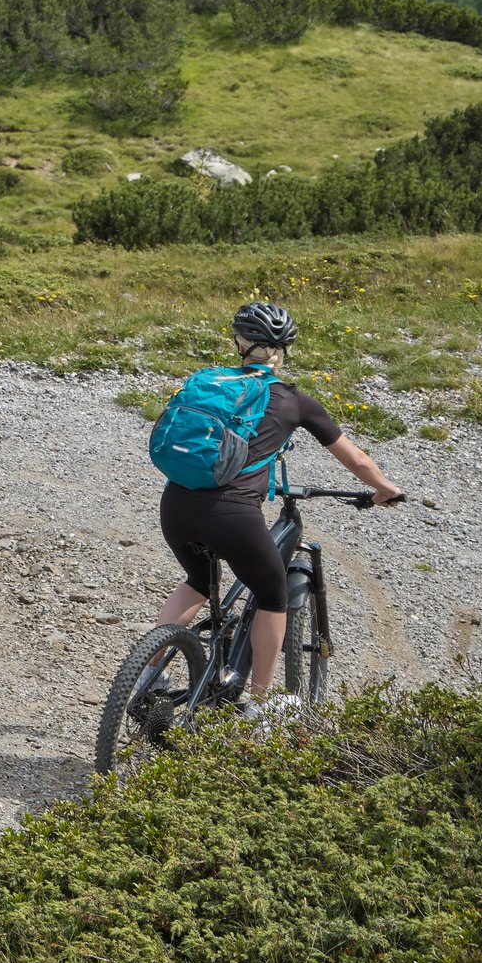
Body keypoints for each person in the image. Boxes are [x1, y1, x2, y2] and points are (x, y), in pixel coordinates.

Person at [152, 300, 404, 713]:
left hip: (176, 504)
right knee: (272, 595)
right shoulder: (294, 401)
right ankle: (259, 706)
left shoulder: (207, 381)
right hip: (232, 515)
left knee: (197, 581)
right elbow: (357, 460)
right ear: (285, 349)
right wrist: (386, 489)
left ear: (239, 343)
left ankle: (150, 671)